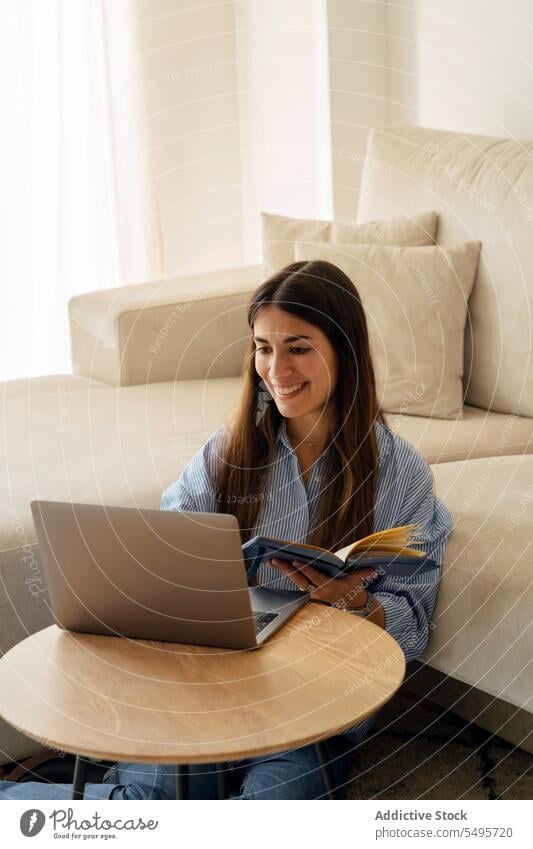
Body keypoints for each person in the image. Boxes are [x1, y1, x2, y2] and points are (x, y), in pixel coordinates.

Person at [1, 260, 452, 800]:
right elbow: (163, 548)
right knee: (155, 805)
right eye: (264, 347)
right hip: (203, 688)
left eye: (298, 347)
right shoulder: (229, 454)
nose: (277, 369)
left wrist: (354, 600)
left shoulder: (400, 473)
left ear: (345, 351)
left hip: (312, 707)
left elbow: (414, 620)